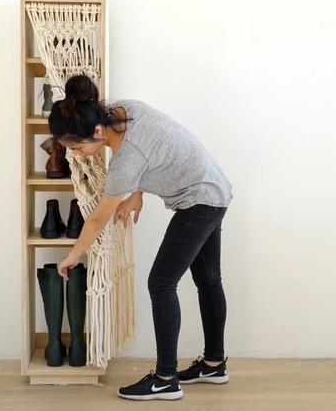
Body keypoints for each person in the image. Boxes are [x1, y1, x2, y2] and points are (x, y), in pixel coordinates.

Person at [48, 75, 233, 401]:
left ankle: (165, 378)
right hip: (213, 190)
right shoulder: (124, 111)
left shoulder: (124, 162)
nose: (76, 156)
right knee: (208, 279)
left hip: (199, 201)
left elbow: (97, 220)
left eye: (77, 148)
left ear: (96, 132)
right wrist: (138, 194)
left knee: (160, 283)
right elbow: (156, 148)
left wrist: (73, 255)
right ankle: (214, 364)